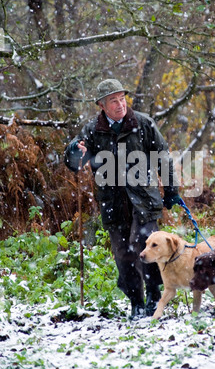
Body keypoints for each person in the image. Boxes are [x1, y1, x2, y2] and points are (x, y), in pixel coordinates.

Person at [65, 79, 180, 319]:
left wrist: (170, 190)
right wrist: (76, 152)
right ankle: (136, 302)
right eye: (113, 101)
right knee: (124, 253)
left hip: (144, 198)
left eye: (122, 98)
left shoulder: (143, 123)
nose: (120, 104)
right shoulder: (92, 131)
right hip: (112, 201)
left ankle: (154, 293)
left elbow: (164, 157)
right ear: (102, 105)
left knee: (144, 242)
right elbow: (74, 163)